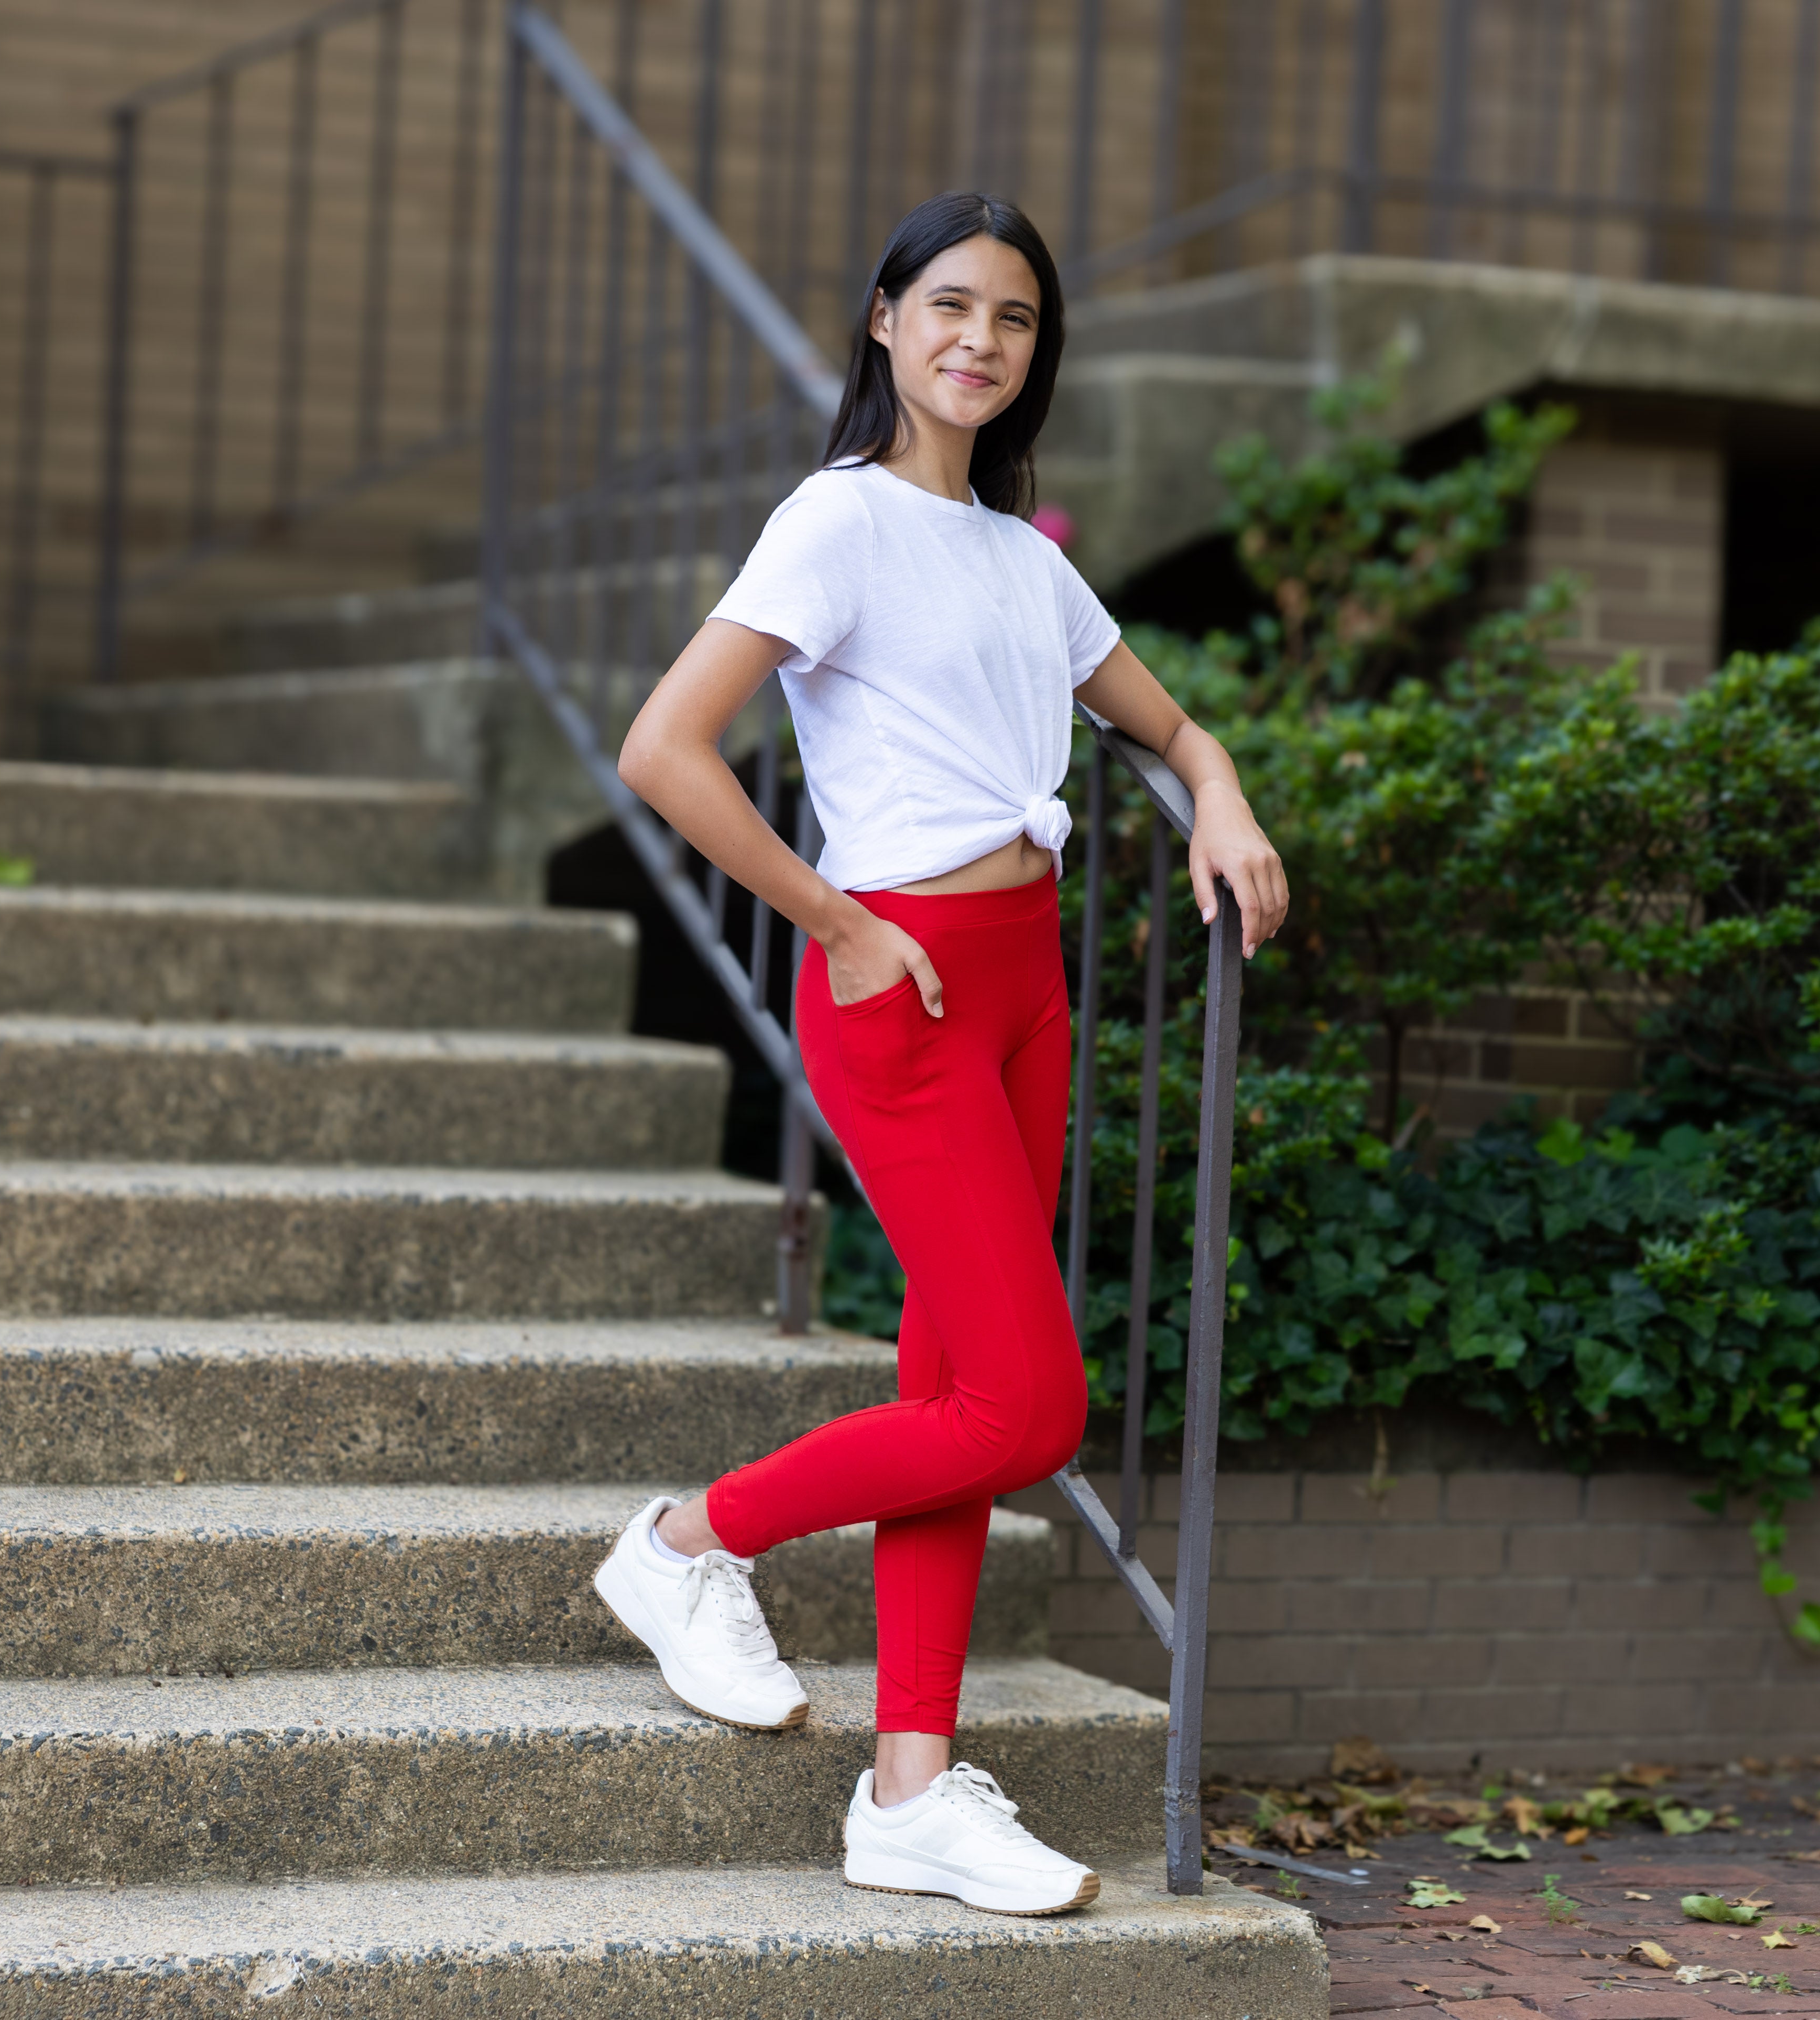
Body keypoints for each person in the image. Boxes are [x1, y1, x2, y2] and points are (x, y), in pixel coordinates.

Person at [598, 190, 1288, 1917]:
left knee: (957, 1397)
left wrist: (1219, 792)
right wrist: (832, 922)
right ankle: (690, 1543)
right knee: (1031, 1405)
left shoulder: (1027, 562)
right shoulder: (834, 526)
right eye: (953, 307)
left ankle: (907, 1791)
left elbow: (1173, 721)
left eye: (1019, 321)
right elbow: (668, 751)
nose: (984, 341)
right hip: (896, 979)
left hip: (1025, 988)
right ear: (888, 322)